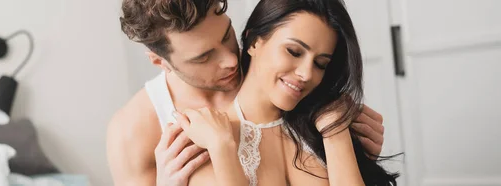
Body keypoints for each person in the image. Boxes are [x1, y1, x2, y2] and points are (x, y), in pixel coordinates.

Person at [107, 0, 387, 185]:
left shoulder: (282, 77)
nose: (231, 60)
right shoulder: (134, 131)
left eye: (227, 35)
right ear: (161, 62)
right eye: (204, 57)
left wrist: (359, 157)